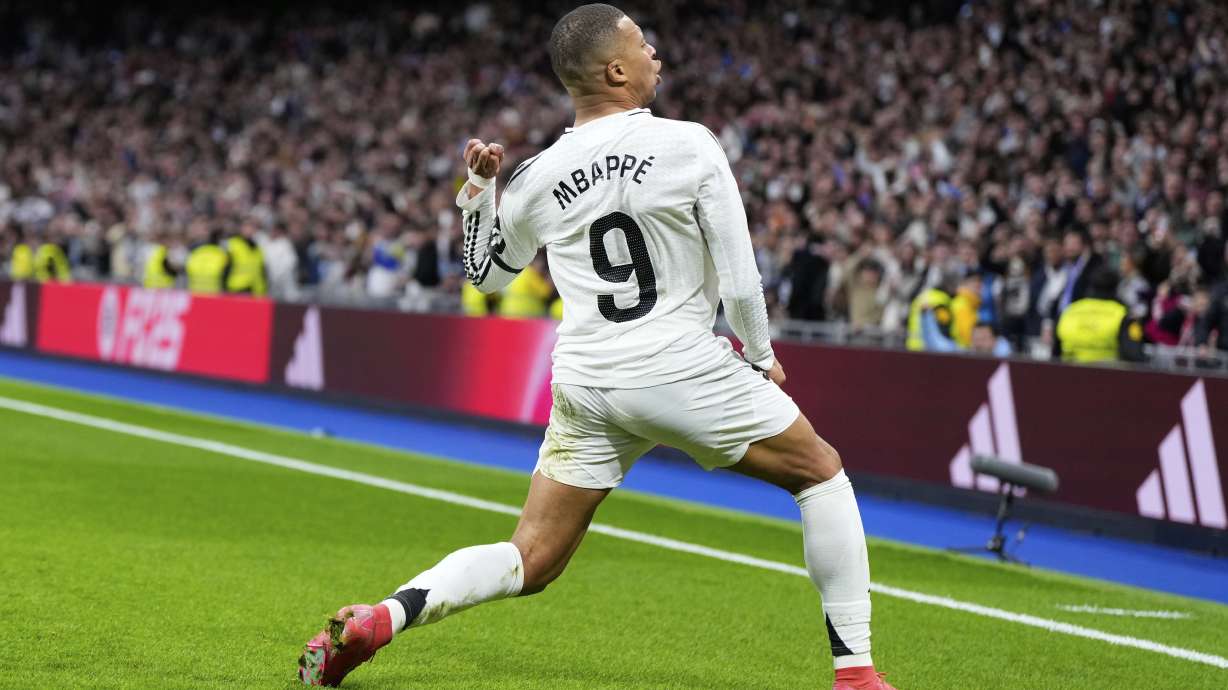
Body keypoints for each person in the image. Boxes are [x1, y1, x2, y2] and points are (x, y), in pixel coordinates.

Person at [298, 6, 894, 690]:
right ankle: (855, 673)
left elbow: (484, 276)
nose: (655, 56)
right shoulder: (690, 144)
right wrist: (760, 356)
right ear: (615, 69)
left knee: (532, 557)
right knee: (820, 472)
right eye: (643, 46)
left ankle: (385, 616)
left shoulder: (537, 174)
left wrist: (477, 195)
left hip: (586, 381)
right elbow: (740, 277)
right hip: (676, 363)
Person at [1054, 268, 1144, 364]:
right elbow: (1134, 355)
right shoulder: (1123, 314)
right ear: (1116, 288)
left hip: (1069, 374)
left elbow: (1055, 353)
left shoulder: (1069, 311)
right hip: (1107, 374)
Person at [226, 221, 268, 296]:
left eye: (252, 227)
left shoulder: (258, 248)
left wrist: (263, 289)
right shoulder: (233, 244)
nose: (249, 230)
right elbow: (226, 267)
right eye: (246, 227)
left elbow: (261, 270)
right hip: (237, 288)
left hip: (255, 290)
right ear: (241, 228)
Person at [185, 226, 230, 294]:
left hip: (194, 292)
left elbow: (186, 269)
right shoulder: (221, 254)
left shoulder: (196, 252)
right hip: (214, 293)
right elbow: (226, 273)